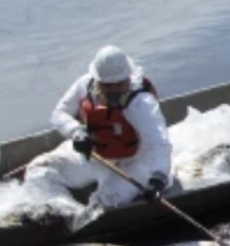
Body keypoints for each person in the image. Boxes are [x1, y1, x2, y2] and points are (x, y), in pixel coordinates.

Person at [24, 45, 173, 209]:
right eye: (108, 86)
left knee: (103, 204)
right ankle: (62, 212)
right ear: (97, 81)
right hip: (95, 156)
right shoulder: (84, 86)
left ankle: (90, 214)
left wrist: (157, 179)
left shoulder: (141, 103)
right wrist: (76, 131)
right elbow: (59, 114)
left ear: (128, 79)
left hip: (134, 162)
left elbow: (159, 144)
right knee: (38, 171)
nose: (114, 91)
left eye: (119, 84)